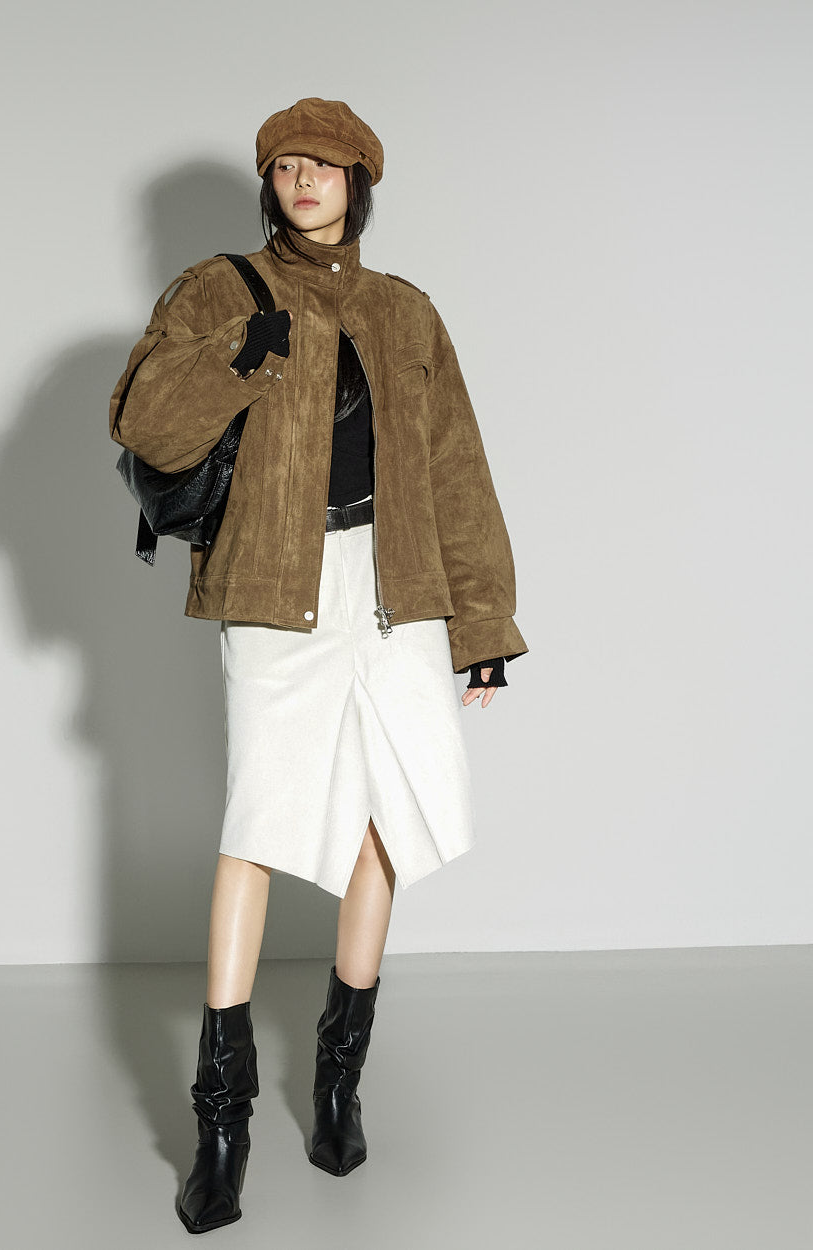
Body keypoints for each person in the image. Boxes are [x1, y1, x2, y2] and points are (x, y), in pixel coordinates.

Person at [109, 97, 529, 1234]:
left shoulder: (406, 312)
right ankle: (223, 1120)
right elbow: (144, 421)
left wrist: (483, 621)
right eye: (288, 164)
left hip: (399, 588)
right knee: (259, 823)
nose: (305, 180)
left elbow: (456, 465)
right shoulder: (218, 290)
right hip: (276, 590)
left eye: (326, 166)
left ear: (358, 184)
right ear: (270, 181)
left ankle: (339, 1080)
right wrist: (236, 358)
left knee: (387, 816)